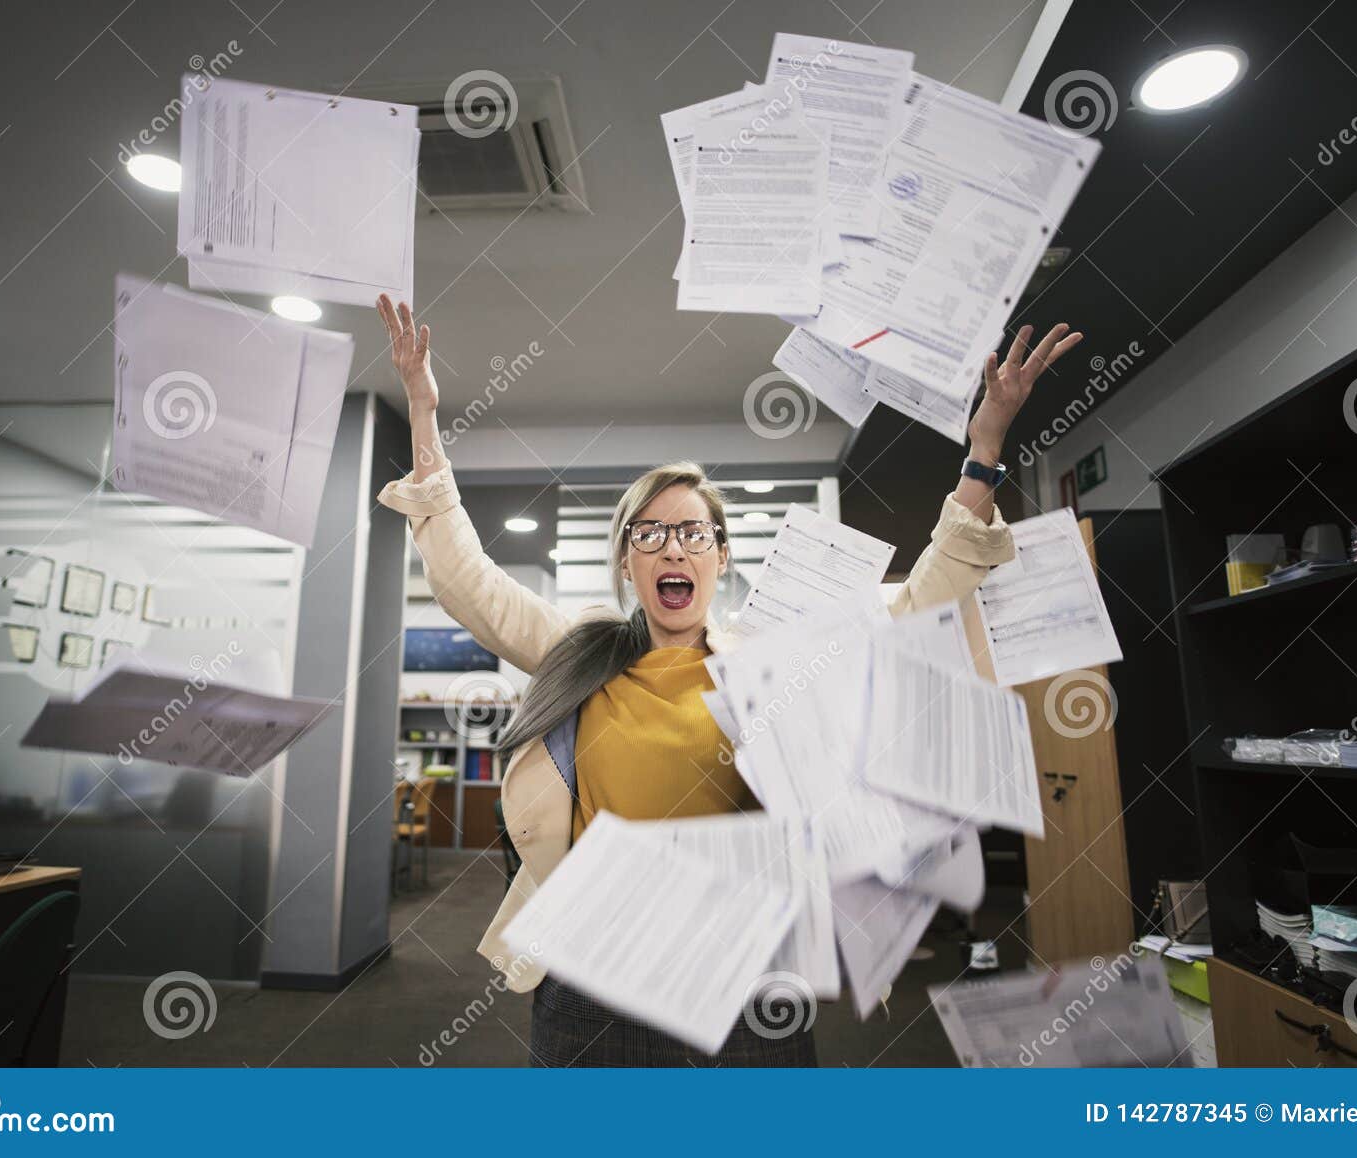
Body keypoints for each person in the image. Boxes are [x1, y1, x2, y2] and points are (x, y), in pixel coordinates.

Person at [374, 294, 1082, 1066]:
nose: (672, 548)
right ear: (627, 562)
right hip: (590, 977)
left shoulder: (770, 658)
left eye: (693, 533)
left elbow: (916, 614)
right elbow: (466, 580)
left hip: (745, 977)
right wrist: (423, 412)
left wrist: (983, 451)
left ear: (719, 558)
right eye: (650, 533)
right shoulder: (581, 649)